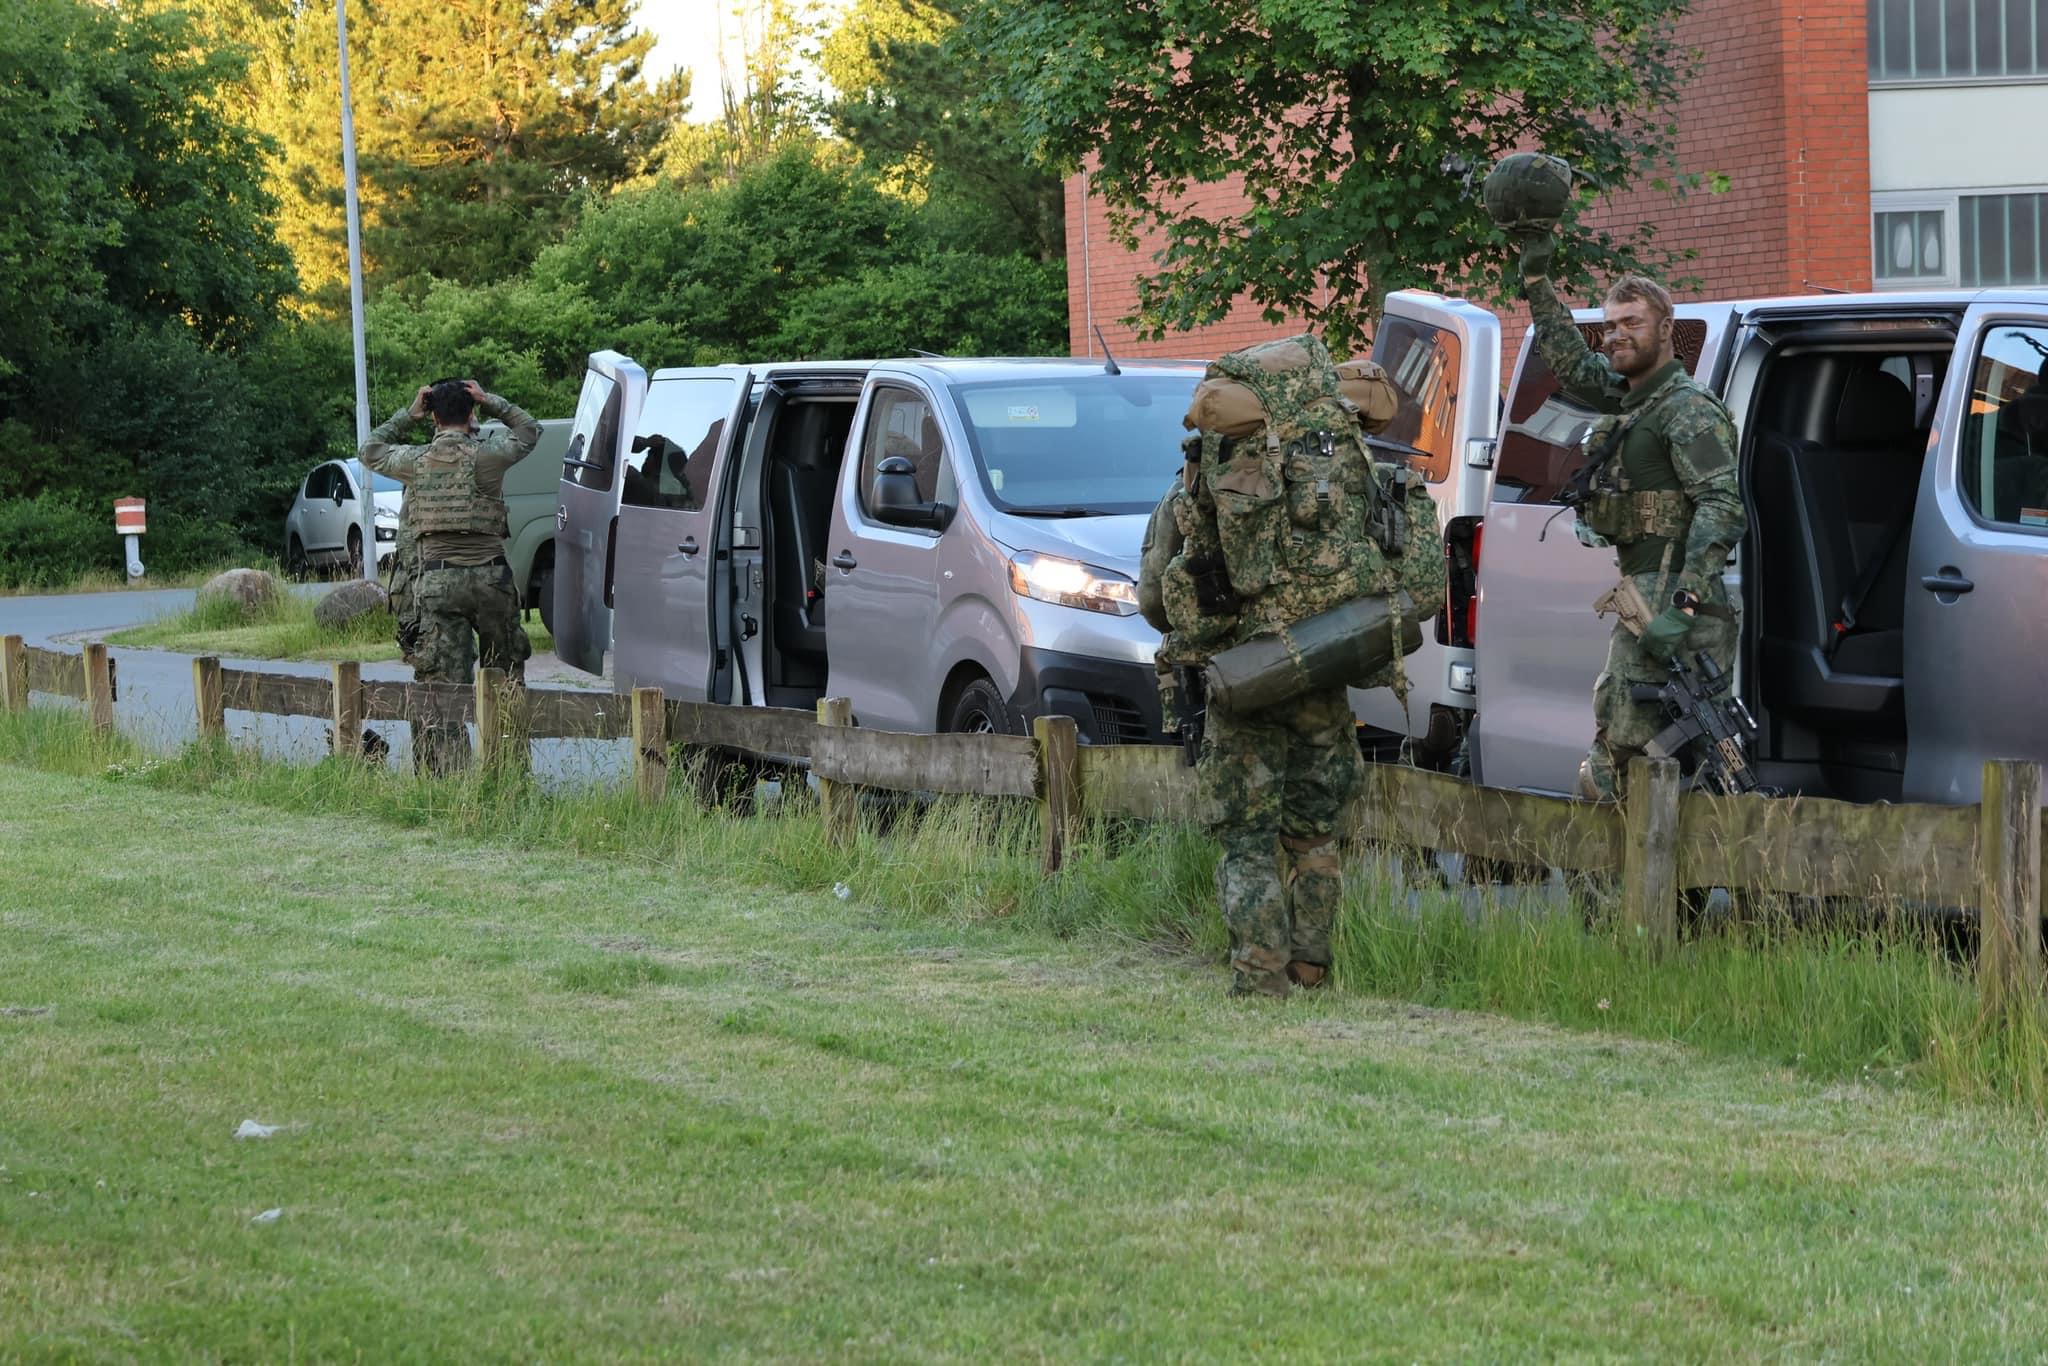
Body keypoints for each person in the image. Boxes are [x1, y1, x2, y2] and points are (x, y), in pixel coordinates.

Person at [1142, 337, 1436, 998]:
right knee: (1314, 835)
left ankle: (1259, 975)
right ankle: (1310, 968)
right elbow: (1415, 581)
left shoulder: (1202, 478)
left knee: (1246, 841)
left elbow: (1156, 599)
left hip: (1241, 679)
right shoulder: (1356, 470)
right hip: (1321, 672)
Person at [1515, 231, 1746, 802]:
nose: (1617, 335)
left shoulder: (1686, 409)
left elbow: (1722, 505)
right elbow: (1572, 362)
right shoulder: (1632, 399)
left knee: (1630, 764)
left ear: (1666, 329)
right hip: (1647, 596)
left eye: (1632, 323)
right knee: (1649, 765)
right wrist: (1537, 281)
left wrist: (1684, 605)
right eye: (1610, 326)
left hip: (1678, 605)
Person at [361, 378, 540, 774]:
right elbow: (530, 430)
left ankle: (450, 778)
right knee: (505, 679)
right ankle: (509, 773)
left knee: (444, 688)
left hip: (439, 583)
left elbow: (369, 450)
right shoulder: (489, 455)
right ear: (472, 413)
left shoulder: (415, 460)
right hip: (492, 580)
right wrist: (491, 400)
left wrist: (408, 415)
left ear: (434, 417)